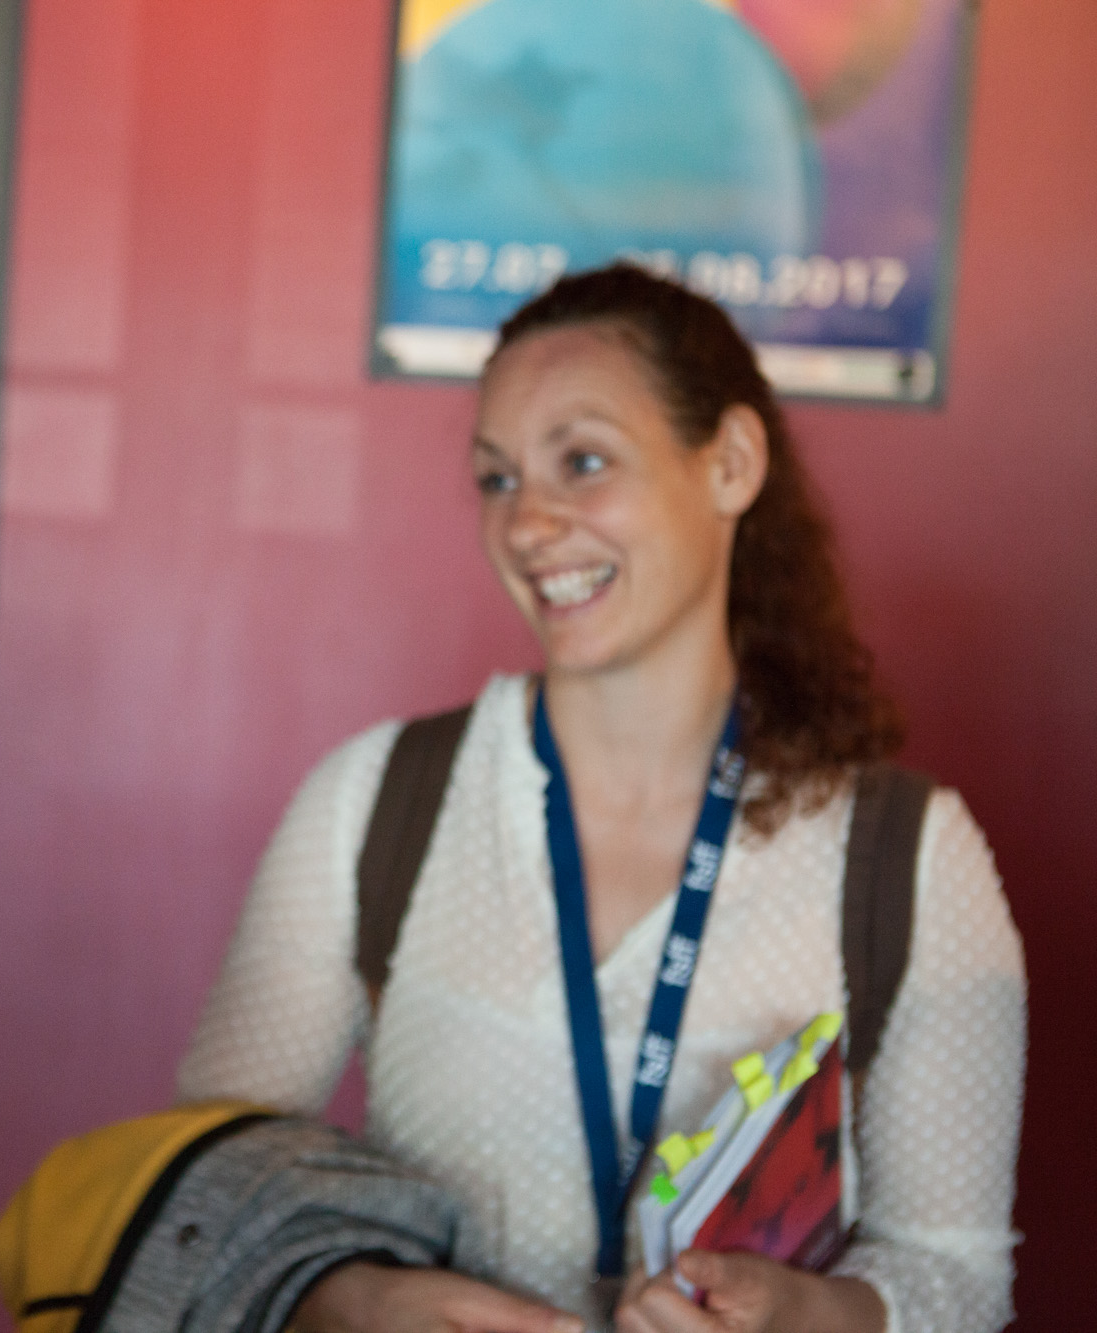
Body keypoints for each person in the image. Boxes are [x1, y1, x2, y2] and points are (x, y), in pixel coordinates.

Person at [177, 265, 1025, 1333]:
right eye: (496, 478)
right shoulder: (373, 804)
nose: (528, 524)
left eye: (582, 461)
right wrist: (340, 1298)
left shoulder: (909, 856)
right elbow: (200, 1189)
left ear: (730, 463)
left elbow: (957, 1277)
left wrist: (806, 1315)